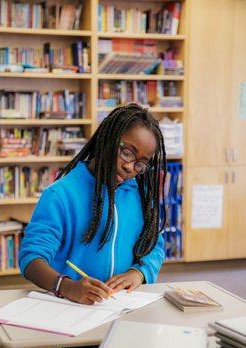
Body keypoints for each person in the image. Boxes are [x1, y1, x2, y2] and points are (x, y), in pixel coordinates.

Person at [19, 103, 167, 305]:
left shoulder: (140, 196)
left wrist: (138, 273)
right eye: (127, 153)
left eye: (141, 164)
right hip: (71, 307)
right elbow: (31, 258)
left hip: (121, 306)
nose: (129, 167)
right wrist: (66, 286)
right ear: (107, 139)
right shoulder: (60, 195)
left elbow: (153, 246)